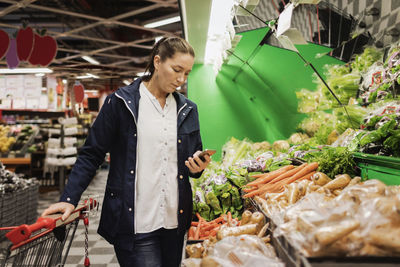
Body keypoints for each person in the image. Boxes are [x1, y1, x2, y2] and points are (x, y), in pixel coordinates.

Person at [42, 37, 211, 267]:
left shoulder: (188, 109)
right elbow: (92, 154)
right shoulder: (120, 103)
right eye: (177, 70)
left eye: (187, 73)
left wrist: (197, 168)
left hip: (174, 220)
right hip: (136, 224)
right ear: (158, 61)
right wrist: (70, 198)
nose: (181, 79)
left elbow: (192, 161)